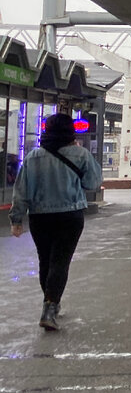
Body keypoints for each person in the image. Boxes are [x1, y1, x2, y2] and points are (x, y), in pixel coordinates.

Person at [9, 112, 103, 330]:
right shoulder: (81, 154)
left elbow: (21, 191)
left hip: (40, 217)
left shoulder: (33, 157)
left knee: (45, 260)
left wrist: (16, 219)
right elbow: (93, 182)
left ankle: (51, 304)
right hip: (70, 215)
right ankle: (50, 308)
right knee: (60, 261)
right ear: (71, 131)